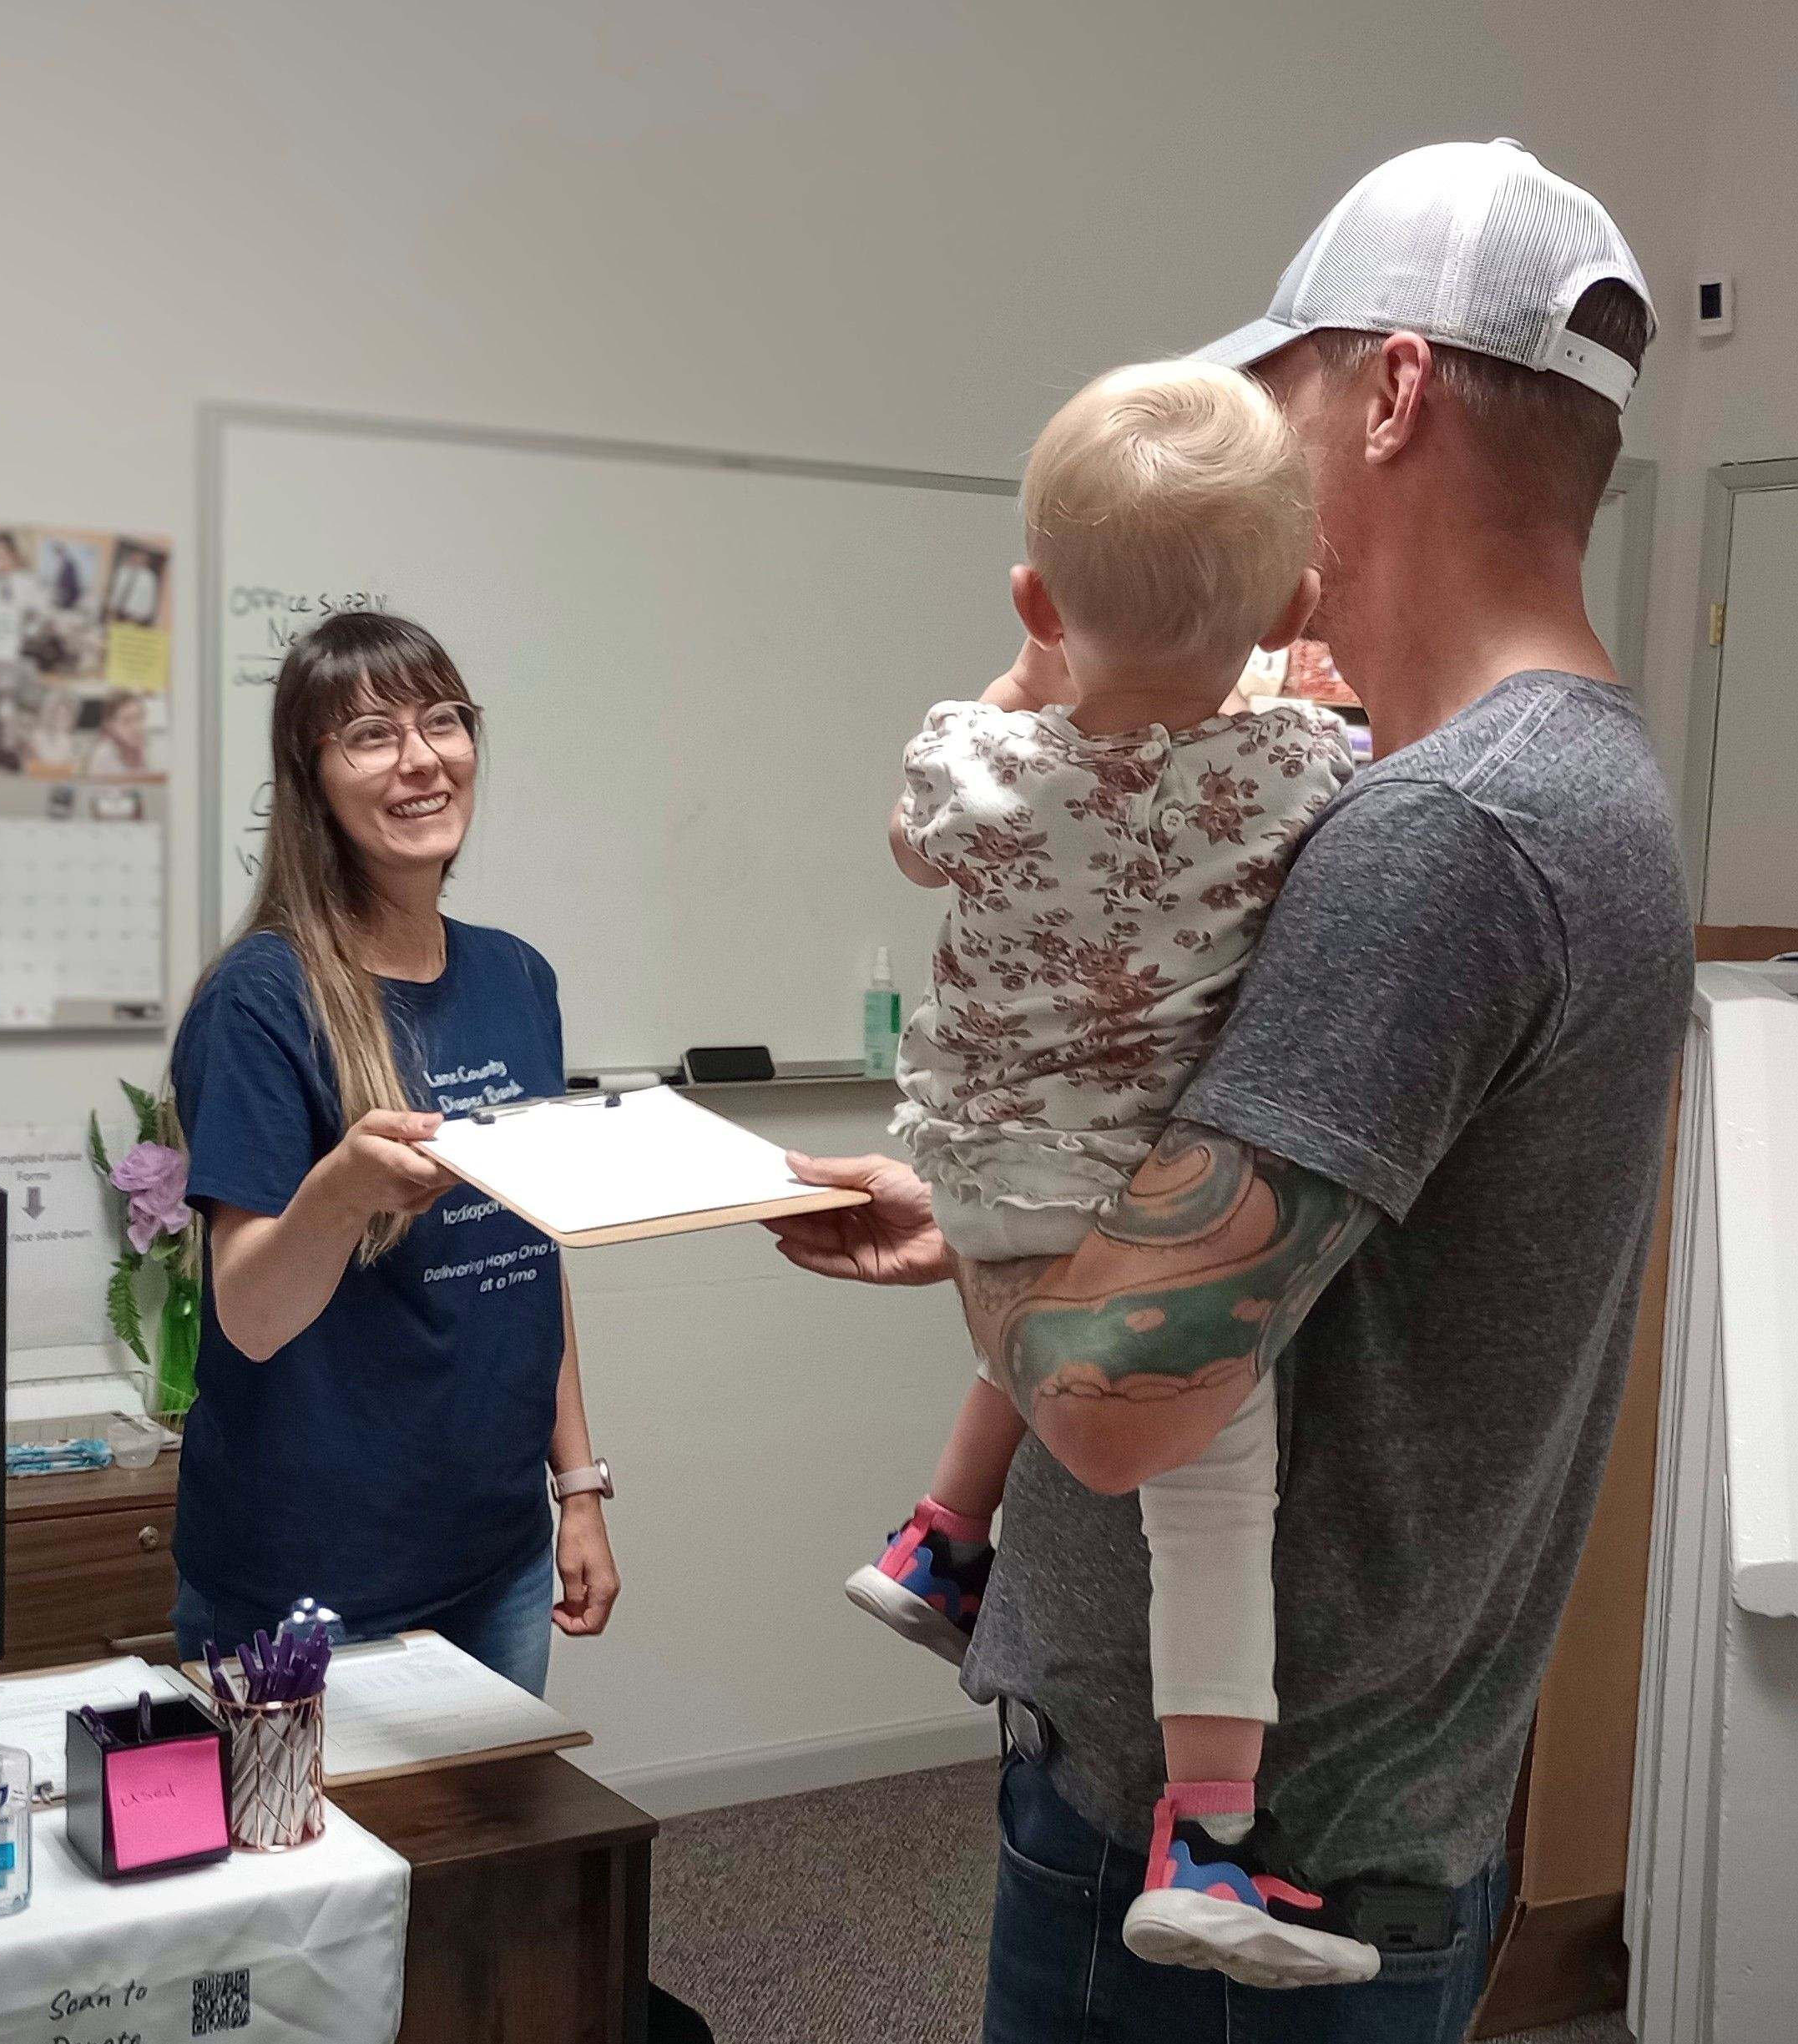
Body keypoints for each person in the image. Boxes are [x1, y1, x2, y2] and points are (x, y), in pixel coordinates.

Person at [775, 139, 1689, 2041]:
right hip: (1377, 1808)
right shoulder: (1566, 781)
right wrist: (986, 1210)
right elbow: (1328, 1251)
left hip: (1233, 1866)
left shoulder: (1438, 833)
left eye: (1273, 403)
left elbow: (1111, 1405)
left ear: (1396, 390)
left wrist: (1014, 1223)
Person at [847, 360, 1363, 1986]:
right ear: (1296, 600)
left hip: (982, 1166)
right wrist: (1304, 679)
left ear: (1032, 595)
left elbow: (912, 842)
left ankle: (943, 1533)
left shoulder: (982, 761)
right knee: (1218, 1503)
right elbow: (1364, 772)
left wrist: (1024, 677)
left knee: (1035, 1315)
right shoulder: (1288, 766)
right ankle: (1207, 1833)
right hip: (1147, 1185)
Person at [167, 609, 620, 1695]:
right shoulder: (260, 999)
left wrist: (580, 1485)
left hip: (494, 1554)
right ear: (309, 776)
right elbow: (250, 1313)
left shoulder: (516, 978)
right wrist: (342, 1188)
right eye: (371, 734)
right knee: (319, 1871)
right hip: (308, 1583)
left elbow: (527, 1253)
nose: (421, 758)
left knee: (484, 1867)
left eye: (443, 721)